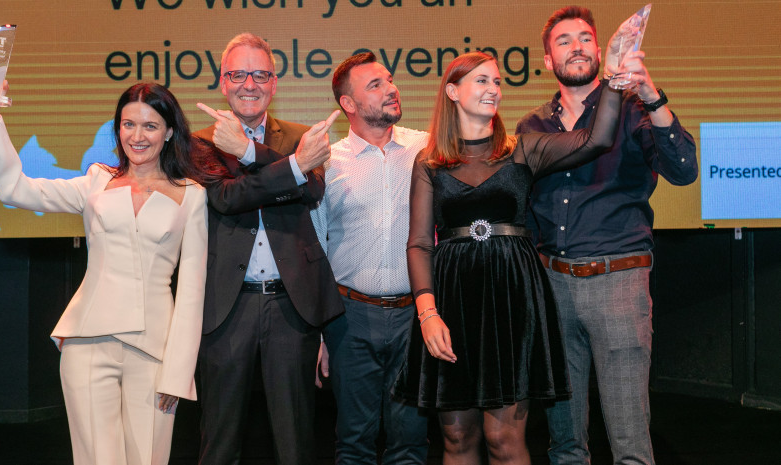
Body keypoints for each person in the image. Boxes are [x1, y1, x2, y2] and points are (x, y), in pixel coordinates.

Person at [392, 46, 630, 464]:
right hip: (452, 303)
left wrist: (610, 79)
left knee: (504, 440)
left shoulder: (524, 148)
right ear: (452, 91)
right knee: (457, 440)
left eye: (498, 81)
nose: (494, 89)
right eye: (482, 80)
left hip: (512, 299)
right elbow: (418, 243)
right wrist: (427, 314)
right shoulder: (428, 162)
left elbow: (599, 139)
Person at [0, 77, 210, 465]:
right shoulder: (97, 181)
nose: (137, 135)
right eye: (128, 124)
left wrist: (179, 373)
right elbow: (16, 189)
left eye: (150, 125)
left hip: (155, 352)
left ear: (169, 132)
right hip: (87, 342)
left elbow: (193, 292)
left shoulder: (192, 195)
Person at [515, 6, 698, 465]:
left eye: (584, 38)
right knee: (565, 443)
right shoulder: (531, 127)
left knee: (630, 442)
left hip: (617, 280)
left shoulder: (636, 111)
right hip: (552, 284)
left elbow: (684, 171)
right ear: (546, 59)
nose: (576, 46)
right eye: (563, 40)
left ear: (599, 50)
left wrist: (651, 94)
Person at [192, 32, 346, 465]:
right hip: (226, 306)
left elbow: (311, 191)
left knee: (296, 440)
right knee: (219, 441)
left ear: (274, 83)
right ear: (223, 82)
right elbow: (226, 198)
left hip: (289, 305)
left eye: (260, 74)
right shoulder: (200, 142)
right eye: (238, 74)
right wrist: (288, 172)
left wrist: (247, 152)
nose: (249, 84)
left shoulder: (301, 136)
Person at [310, 52, 429, 464]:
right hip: (349, 318)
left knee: (411, 444)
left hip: (416, 316)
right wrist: (323, 329)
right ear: (348, 104)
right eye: (375, 85)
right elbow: (317, 248)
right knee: (354, 444)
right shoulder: (327, 161)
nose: (391, 88)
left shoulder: (425, 148)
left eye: (390, 79)